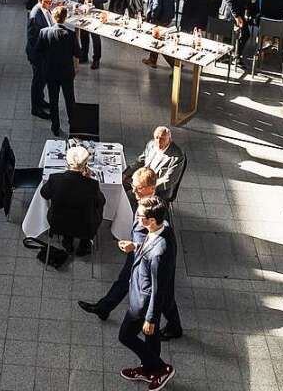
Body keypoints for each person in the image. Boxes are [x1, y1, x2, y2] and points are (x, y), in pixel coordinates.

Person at [78, 168, 183, 340]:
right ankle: (104, 307)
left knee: (165, 296)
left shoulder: (155, 208)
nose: (133, 191)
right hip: (138, 254)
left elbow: (157, 242)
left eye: (138, 188)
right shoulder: (144, 200)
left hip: (149, 259)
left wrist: (134, 246)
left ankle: (175, 327)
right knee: (125, 279)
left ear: (151, 187)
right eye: (133, 186)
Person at [117, 196, 177, 389]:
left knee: (125, 335)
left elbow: (158, 288)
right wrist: (135, 246)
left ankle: (160, 369)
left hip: (143, 303)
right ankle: (149, 368)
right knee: (151, 339)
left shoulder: (160, 252)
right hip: (143, 297)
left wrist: (151, 318)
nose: (137, 218)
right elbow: (148, 246)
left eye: (140, 216)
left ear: (151, 221)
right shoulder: (163, 226)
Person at [39, 144, 105, 255]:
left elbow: (44, 194)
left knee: (68, 215)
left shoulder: (55, 179)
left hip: (58, 223)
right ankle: (84, 245)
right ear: (85, 165)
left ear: (67, 162)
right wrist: (88, 179)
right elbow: (101, 202)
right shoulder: (92, 184)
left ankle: (67, 242)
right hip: (85, 226)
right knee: (94, 210)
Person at [35, 5, 78, 137]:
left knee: (53, 100)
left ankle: (55, 126)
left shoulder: (44, 32)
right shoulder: (71, 35)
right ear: (65, 18)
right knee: (70, 100)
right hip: (66, 73)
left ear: (53, 18)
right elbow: (77, 53)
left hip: (51, 72)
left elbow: (38, 50)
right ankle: (73, 124)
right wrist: (75, 68)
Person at [122, 126, 186, 201]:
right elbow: (140, 161)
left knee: (129, 196)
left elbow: (168, 180)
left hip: (158, 188)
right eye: (157, 137)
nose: (159, 142)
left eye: (162, 139)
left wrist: (146, 188)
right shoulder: (151, 144)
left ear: (170, 140)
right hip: (143, 179)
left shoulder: (177, 156)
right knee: (121, 184)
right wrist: (125, 174)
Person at [68, 0, 107, 69]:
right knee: (84, 34)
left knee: (95, 37)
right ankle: (84, 55)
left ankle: (96, 59)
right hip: (83, 12)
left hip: (95, 13)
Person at [220, 0, 255, 65]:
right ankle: (228, 56)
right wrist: (236, 16)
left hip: (237, 11)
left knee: (242, 34)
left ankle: (235, 55)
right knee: (230, 34)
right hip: (232, 12)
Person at [143, 0, 178, 67]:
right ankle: (152, 60)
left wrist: (152, 16)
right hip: (169, 13)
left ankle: (175, 65)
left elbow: (156, 3)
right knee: (157, 38)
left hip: (159, 16)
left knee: (159, 41)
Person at [26, 0, 53, 120]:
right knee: (38, 81)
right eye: (48, 2)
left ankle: (41, 100)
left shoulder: (45, 10)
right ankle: (36, 108)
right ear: (40, 1)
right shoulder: (34, 16)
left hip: (44, 54)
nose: (51, 4)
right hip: (38, 55)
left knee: (42, 81)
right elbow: (32, 39)